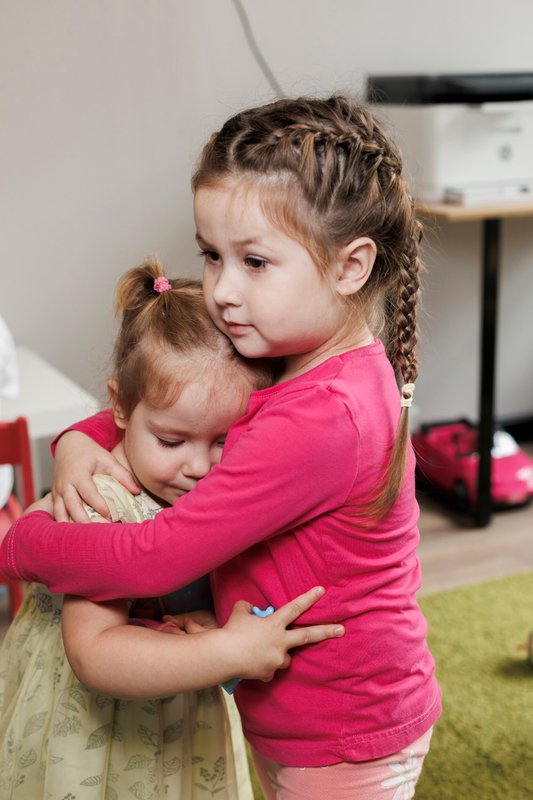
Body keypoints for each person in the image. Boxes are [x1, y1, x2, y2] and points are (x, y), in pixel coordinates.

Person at [1, 95, 442, 799]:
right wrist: (85, 440)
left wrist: (23, 545)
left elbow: (158, 557)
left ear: (350, 266)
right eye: (211, 255)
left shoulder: (323, 416)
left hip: (341, 726)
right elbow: (171, 403)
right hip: (293, 711)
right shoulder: (295, 350)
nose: (222, 291)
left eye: (255, 261)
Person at [0, 259, 343, 799]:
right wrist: (230, 653)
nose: (199, 467)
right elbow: (95, 654)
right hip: (97, 733)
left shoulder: (229, 492)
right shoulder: (102, 501)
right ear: (119, 406)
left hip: (177, 708)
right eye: (170, 441)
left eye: (224, 441)